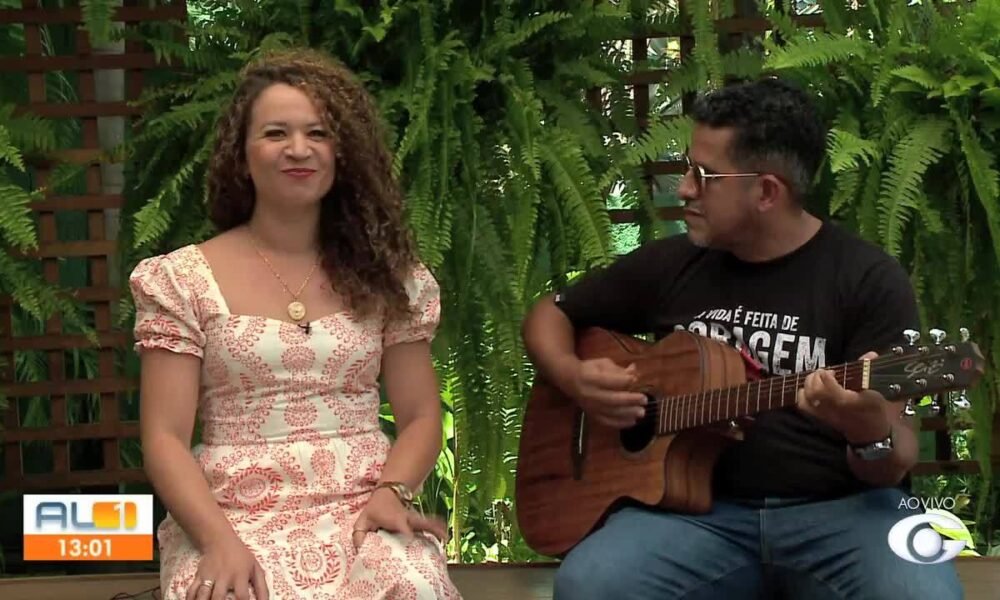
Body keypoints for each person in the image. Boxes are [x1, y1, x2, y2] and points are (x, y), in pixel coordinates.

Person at [520, 78, 964, 599]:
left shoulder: (868, 280)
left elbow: (894, 458)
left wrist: (867, 431)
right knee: (590, 584)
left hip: (845, 515)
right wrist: (573, 377)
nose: (685, 188)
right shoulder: (674, 265)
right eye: (688, 168)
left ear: (767, 191)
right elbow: (550, 313)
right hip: (692, 517)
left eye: (704, 175)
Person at [129, 48, 462, 600]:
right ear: (241, 154)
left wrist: (394, 492)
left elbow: (422, 415)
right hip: (229, 517)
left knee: (413, 588)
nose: (299, 149)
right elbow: (164, 438)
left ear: (342, 153)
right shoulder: (181, 280)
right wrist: (218, 541)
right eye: (276, 133)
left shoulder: (390, 279)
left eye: (318, 133)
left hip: (362, 511)